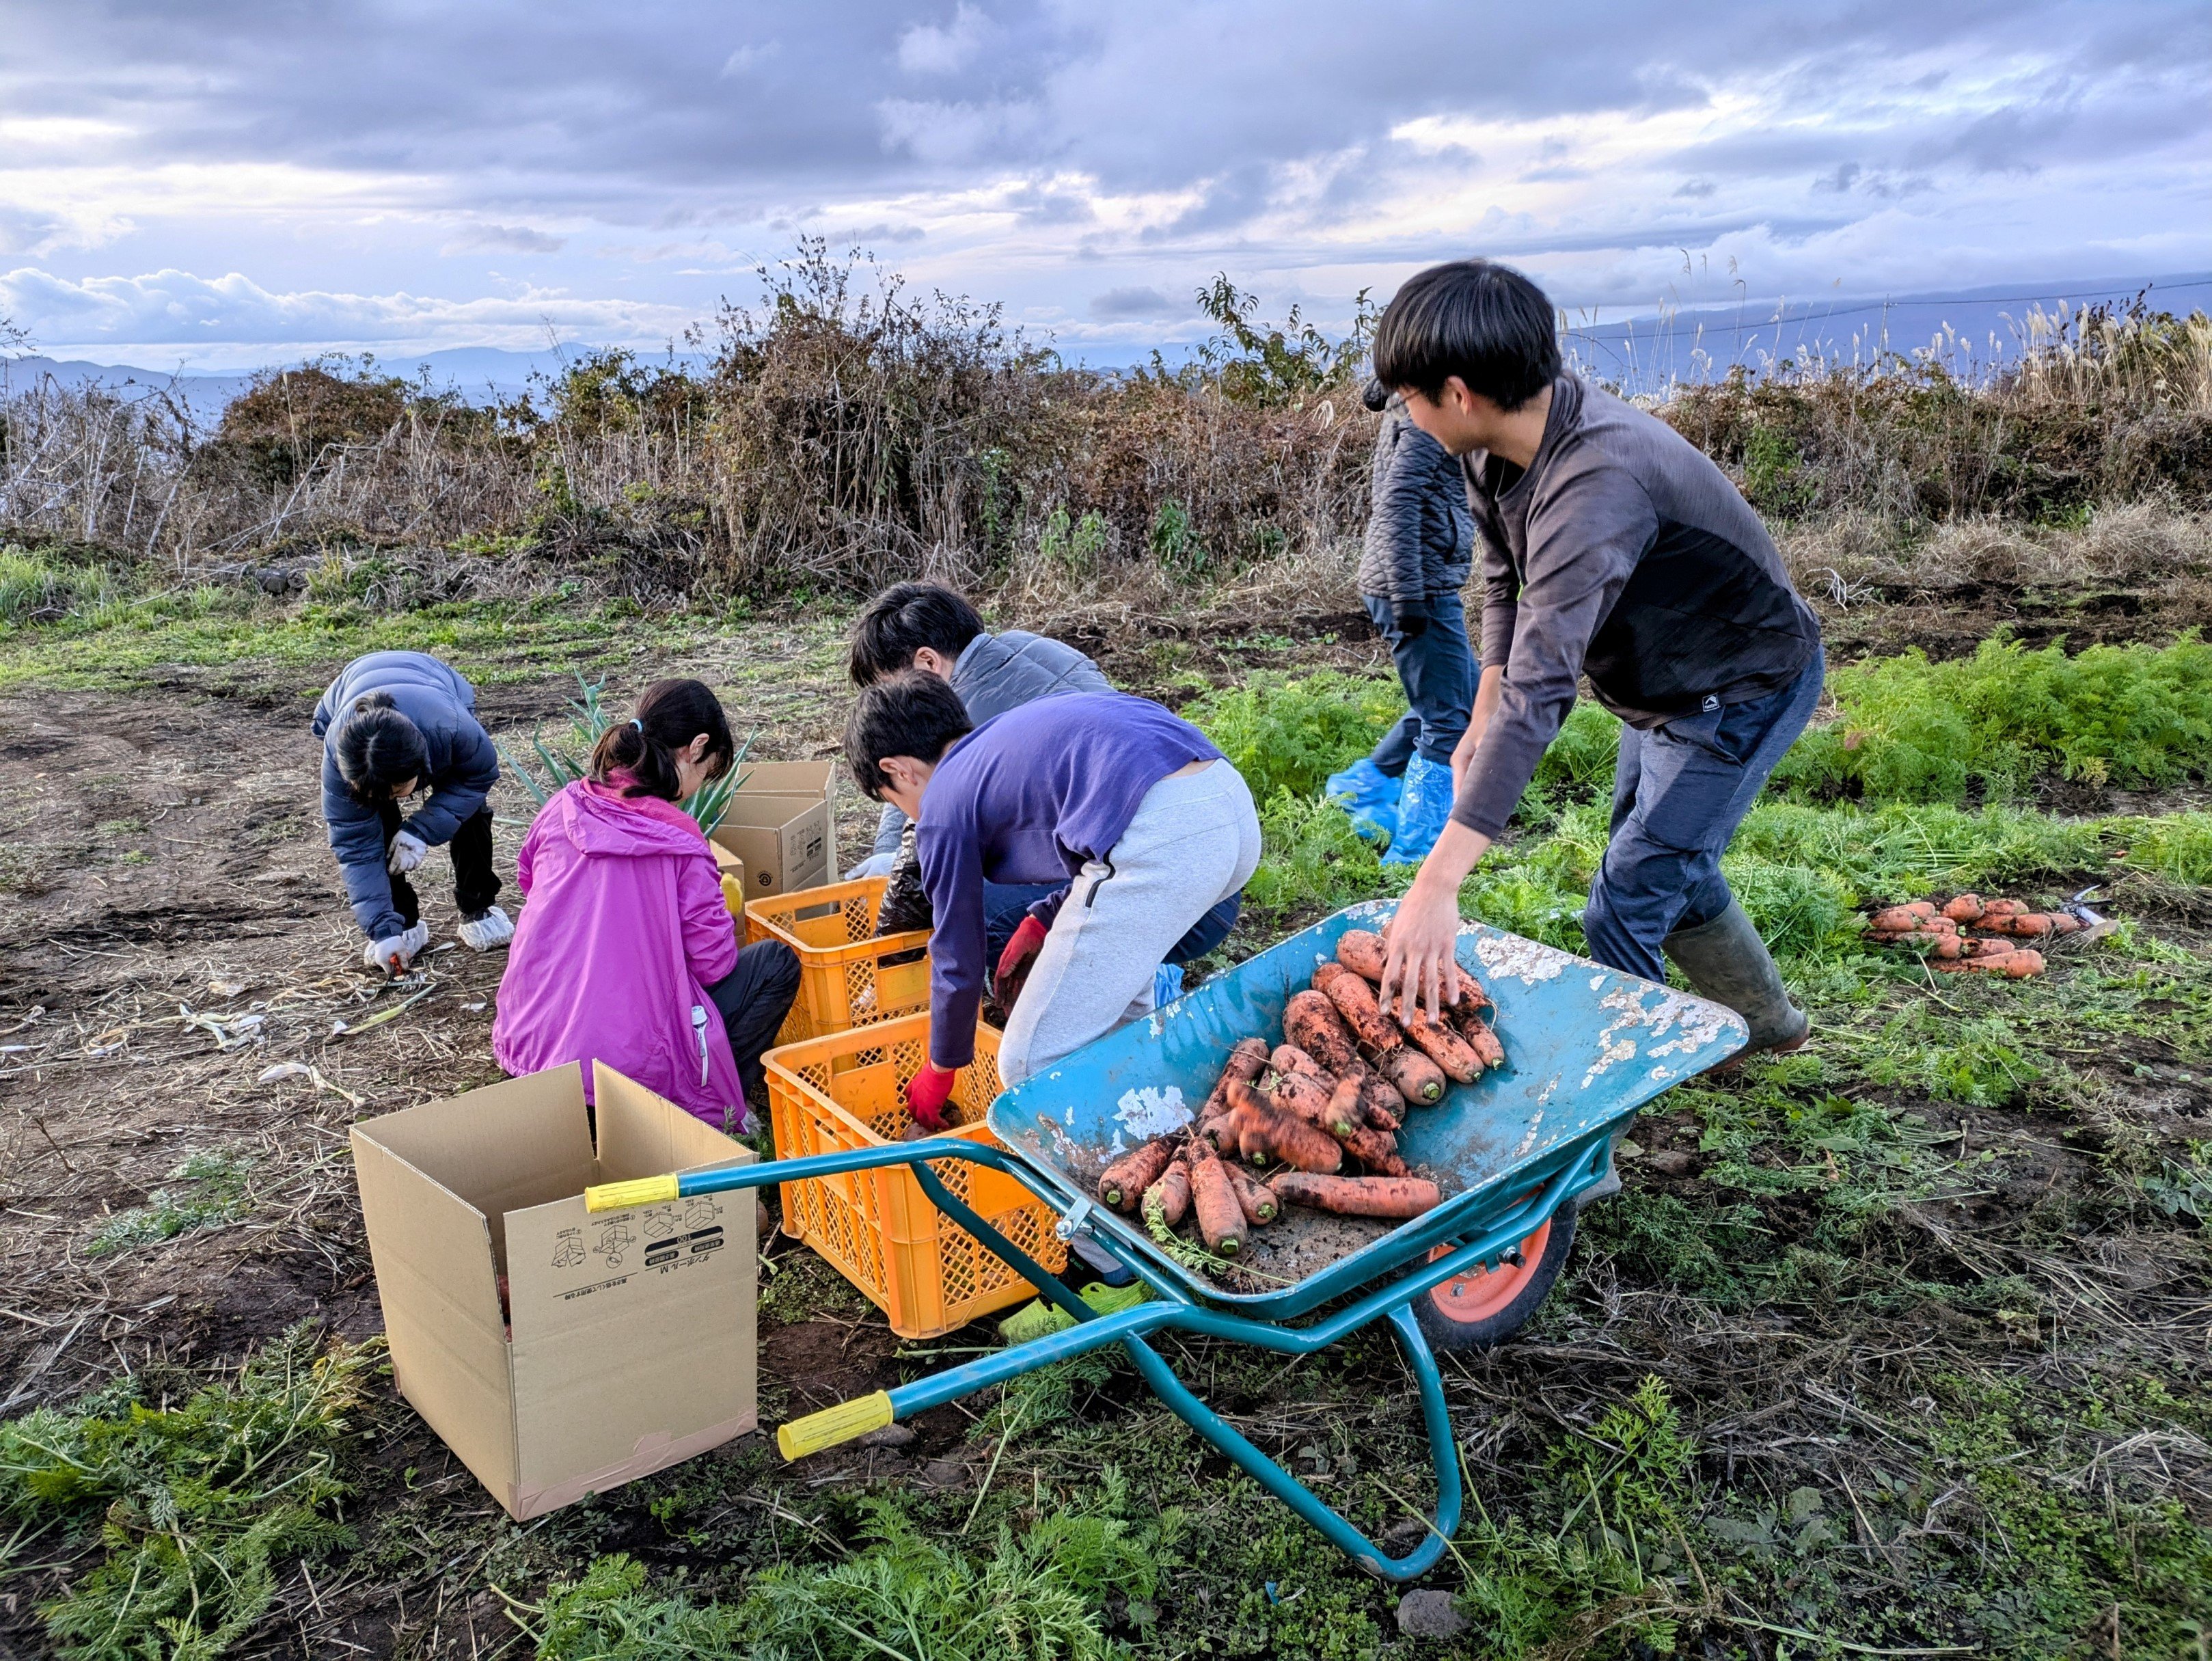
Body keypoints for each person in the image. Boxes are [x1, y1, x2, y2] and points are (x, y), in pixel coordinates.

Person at [1372, 259, 1826, 1072]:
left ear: (1457, 393)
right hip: (1662, 688)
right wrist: (1481, 705)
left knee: (1626, 901)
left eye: (1408, 398)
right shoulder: (1496, 447)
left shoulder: (1596, 486)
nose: (1406, 415)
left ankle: (1591, 1148)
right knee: (1664, 862)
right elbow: (1506, 578)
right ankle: (1766, 1022)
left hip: (1740, 691)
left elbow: (1542, 691)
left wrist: (1438, 885)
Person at [845, 674, 1261, 1120]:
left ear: (898, 770)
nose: (910, 815)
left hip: (1167, 836)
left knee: (1027, 1063)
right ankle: (1155, 1132)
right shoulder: (1004, 738)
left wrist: (940, 1069)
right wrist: (1043, 917)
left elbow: (956, 956)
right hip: (1229, 808)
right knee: (1123, 1017)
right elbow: (1094, 837)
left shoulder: (943, 800)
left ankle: (1076, 1179)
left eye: (894, 799)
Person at [845, 580, 1242, 977]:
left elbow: (927, 824)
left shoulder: (973, 725)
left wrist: (899, 872)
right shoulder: (1029, 649)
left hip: (1169, 899)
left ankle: (1051, 1000)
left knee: (966, 901)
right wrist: (889, 847)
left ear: (928, 663)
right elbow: (910, 773)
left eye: (888, 687)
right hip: (1220, 853)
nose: (889, 704)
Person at [491, 679, 800, 1133]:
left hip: (528, 1054)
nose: (695, 790)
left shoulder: (561, 805)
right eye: (705, 773)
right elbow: (713, 963)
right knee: (776, 962)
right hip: (624, 1081)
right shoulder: (677, 838)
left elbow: (529, 880)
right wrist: (721, 911)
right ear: (695, 748)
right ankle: (710, 1118)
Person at [1324, 377, 1479, 865]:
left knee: (1456, 696)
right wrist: (1409, 595)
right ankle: (1416, 850)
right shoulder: (1424, 418)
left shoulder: (1410, 407)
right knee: (1448, 717)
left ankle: (1361, 787)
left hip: (1413, 579)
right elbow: (1397, 503)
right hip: (1416, 586)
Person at [313, 650, 510, 974]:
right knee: (377, 825)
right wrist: (381, 931)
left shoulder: (454, 728)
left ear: (423, 767)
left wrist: (421, 829)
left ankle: (478, 906)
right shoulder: (339, 757)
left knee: (470, 812)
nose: (393, 796)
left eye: (398, 788)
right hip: (351, 688)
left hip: (435, 687)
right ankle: (403, 922)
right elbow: (355, 847)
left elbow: (478, 776)